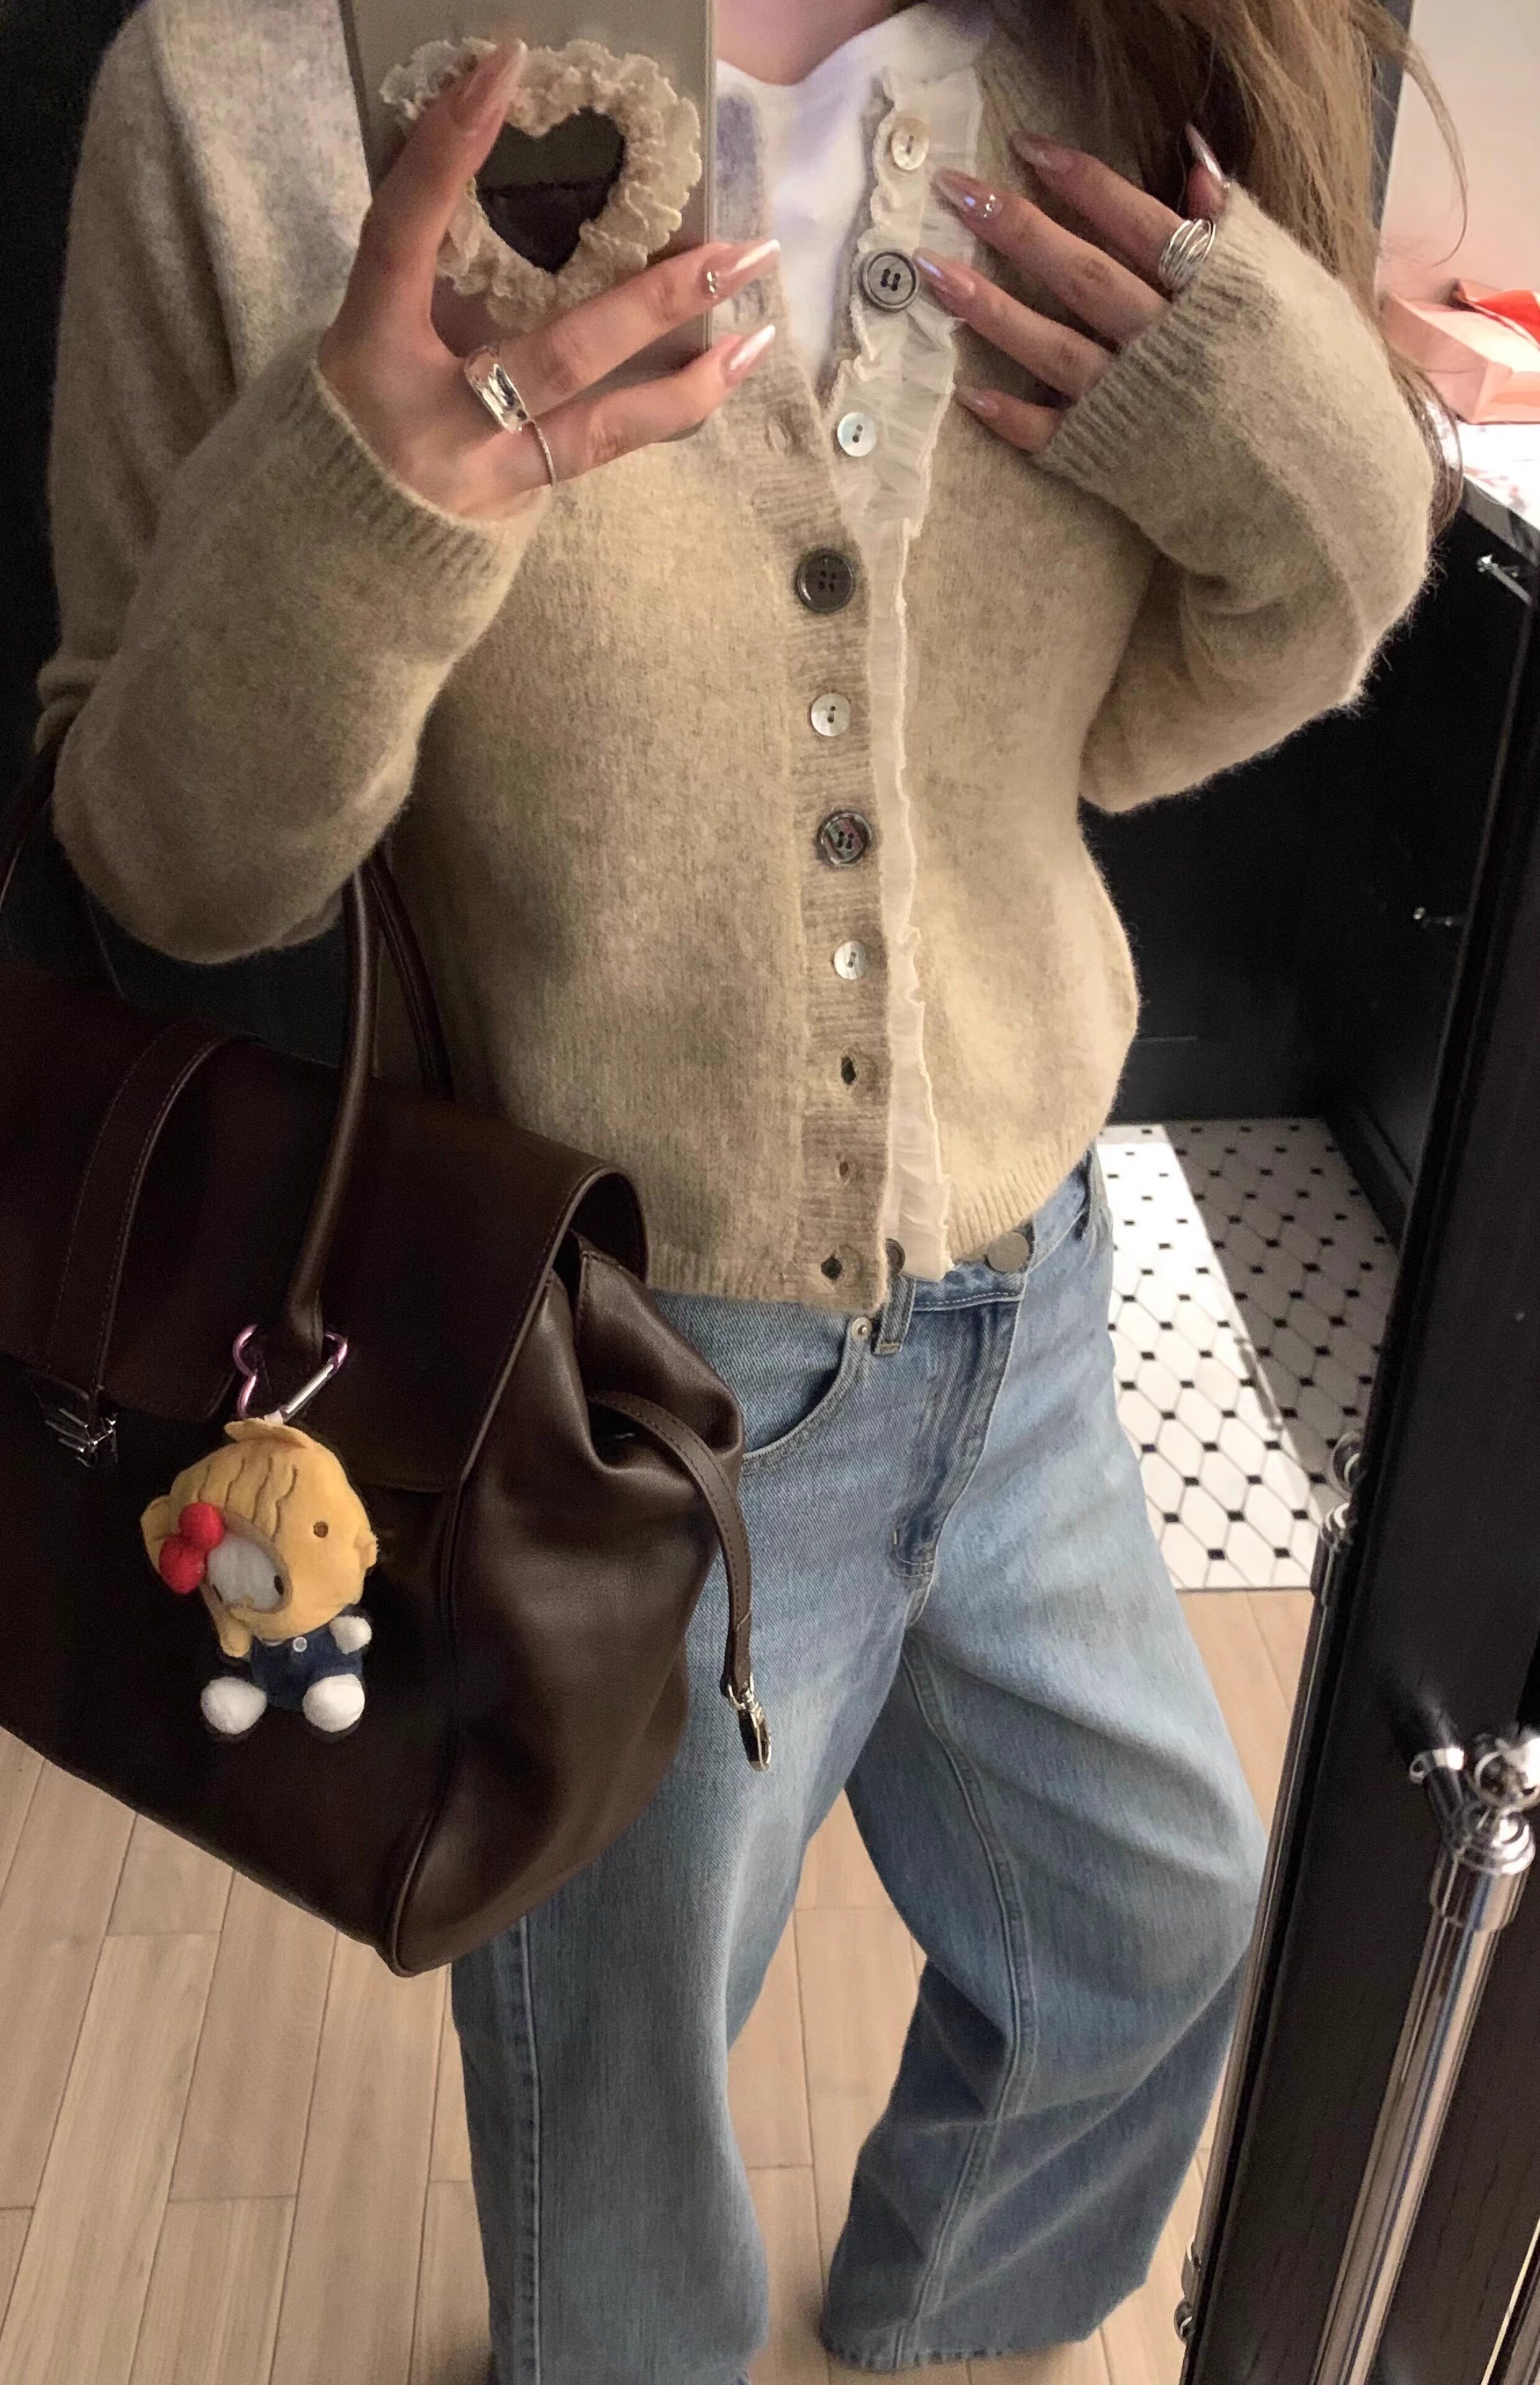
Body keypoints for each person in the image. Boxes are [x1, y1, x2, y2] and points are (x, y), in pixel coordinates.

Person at [38, 0, 1443, 2373]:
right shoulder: (245, 90)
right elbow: (167, 865)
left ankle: (951, 2319)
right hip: (617, 1390)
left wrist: (1294, 435)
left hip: (1036, 1303)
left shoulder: (1126, 62)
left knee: (1157, 1920)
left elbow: (1149, 719)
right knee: (623, 2100)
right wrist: (368, 502)